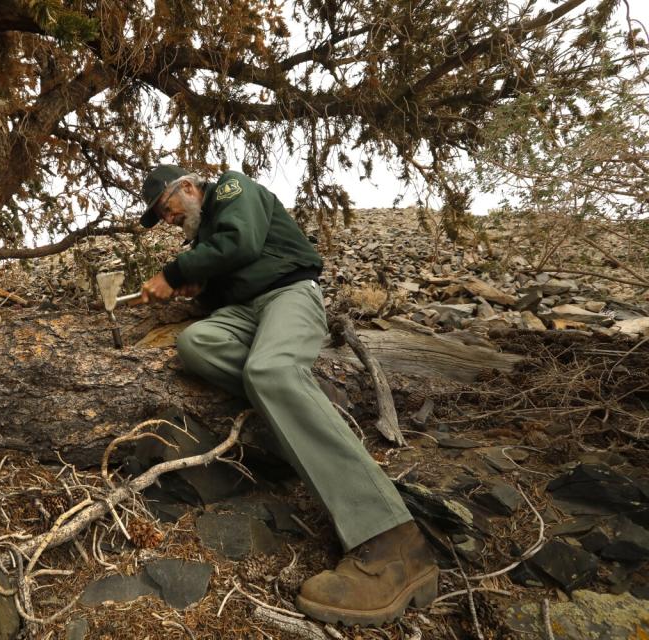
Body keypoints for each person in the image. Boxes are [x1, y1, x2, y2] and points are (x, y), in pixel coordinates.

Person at [135, 164, 438, 627]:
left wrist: (174, 272)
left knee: (269, 369)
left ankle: (394, 543)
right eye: (162, 218)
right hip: (244, 314)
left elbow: (244, 243)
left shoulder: (234, 190)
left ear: (189, 188)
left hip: (288, 295)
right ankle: (299, 407)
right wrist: (198, 288)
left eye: (167, 209)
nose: (169, 220)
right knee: (195, 344)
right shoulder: (203, 239)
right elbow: (223, 278)